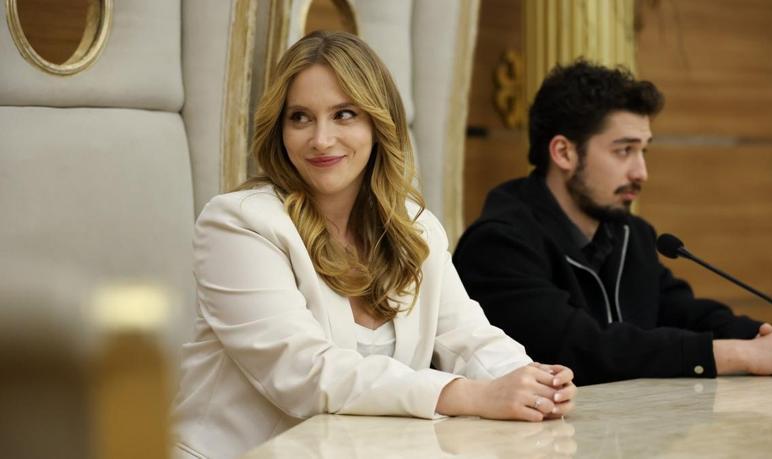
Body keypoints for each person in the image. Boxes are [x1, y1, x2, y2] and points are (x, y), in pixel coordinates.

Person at [172, 31, 576, 459]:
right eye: (300, 118)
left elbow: (467, 337)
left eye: (344, 114)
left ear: (378, 124)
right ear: (280, 130)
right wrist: (469, 395)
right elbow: (304, 374)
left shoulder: (415, 228)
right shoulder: (238, 224)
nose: (321, 139)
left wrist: (533, 382)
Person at [453, 60, 772, 387]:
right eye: (623, 150)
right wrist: (738, 355)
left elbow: (685, 313)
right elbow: (579, 349)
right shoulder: (499, 244)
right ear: (564, 152)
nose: (641, 172)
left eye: (644, 150)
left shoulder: (631, 234)